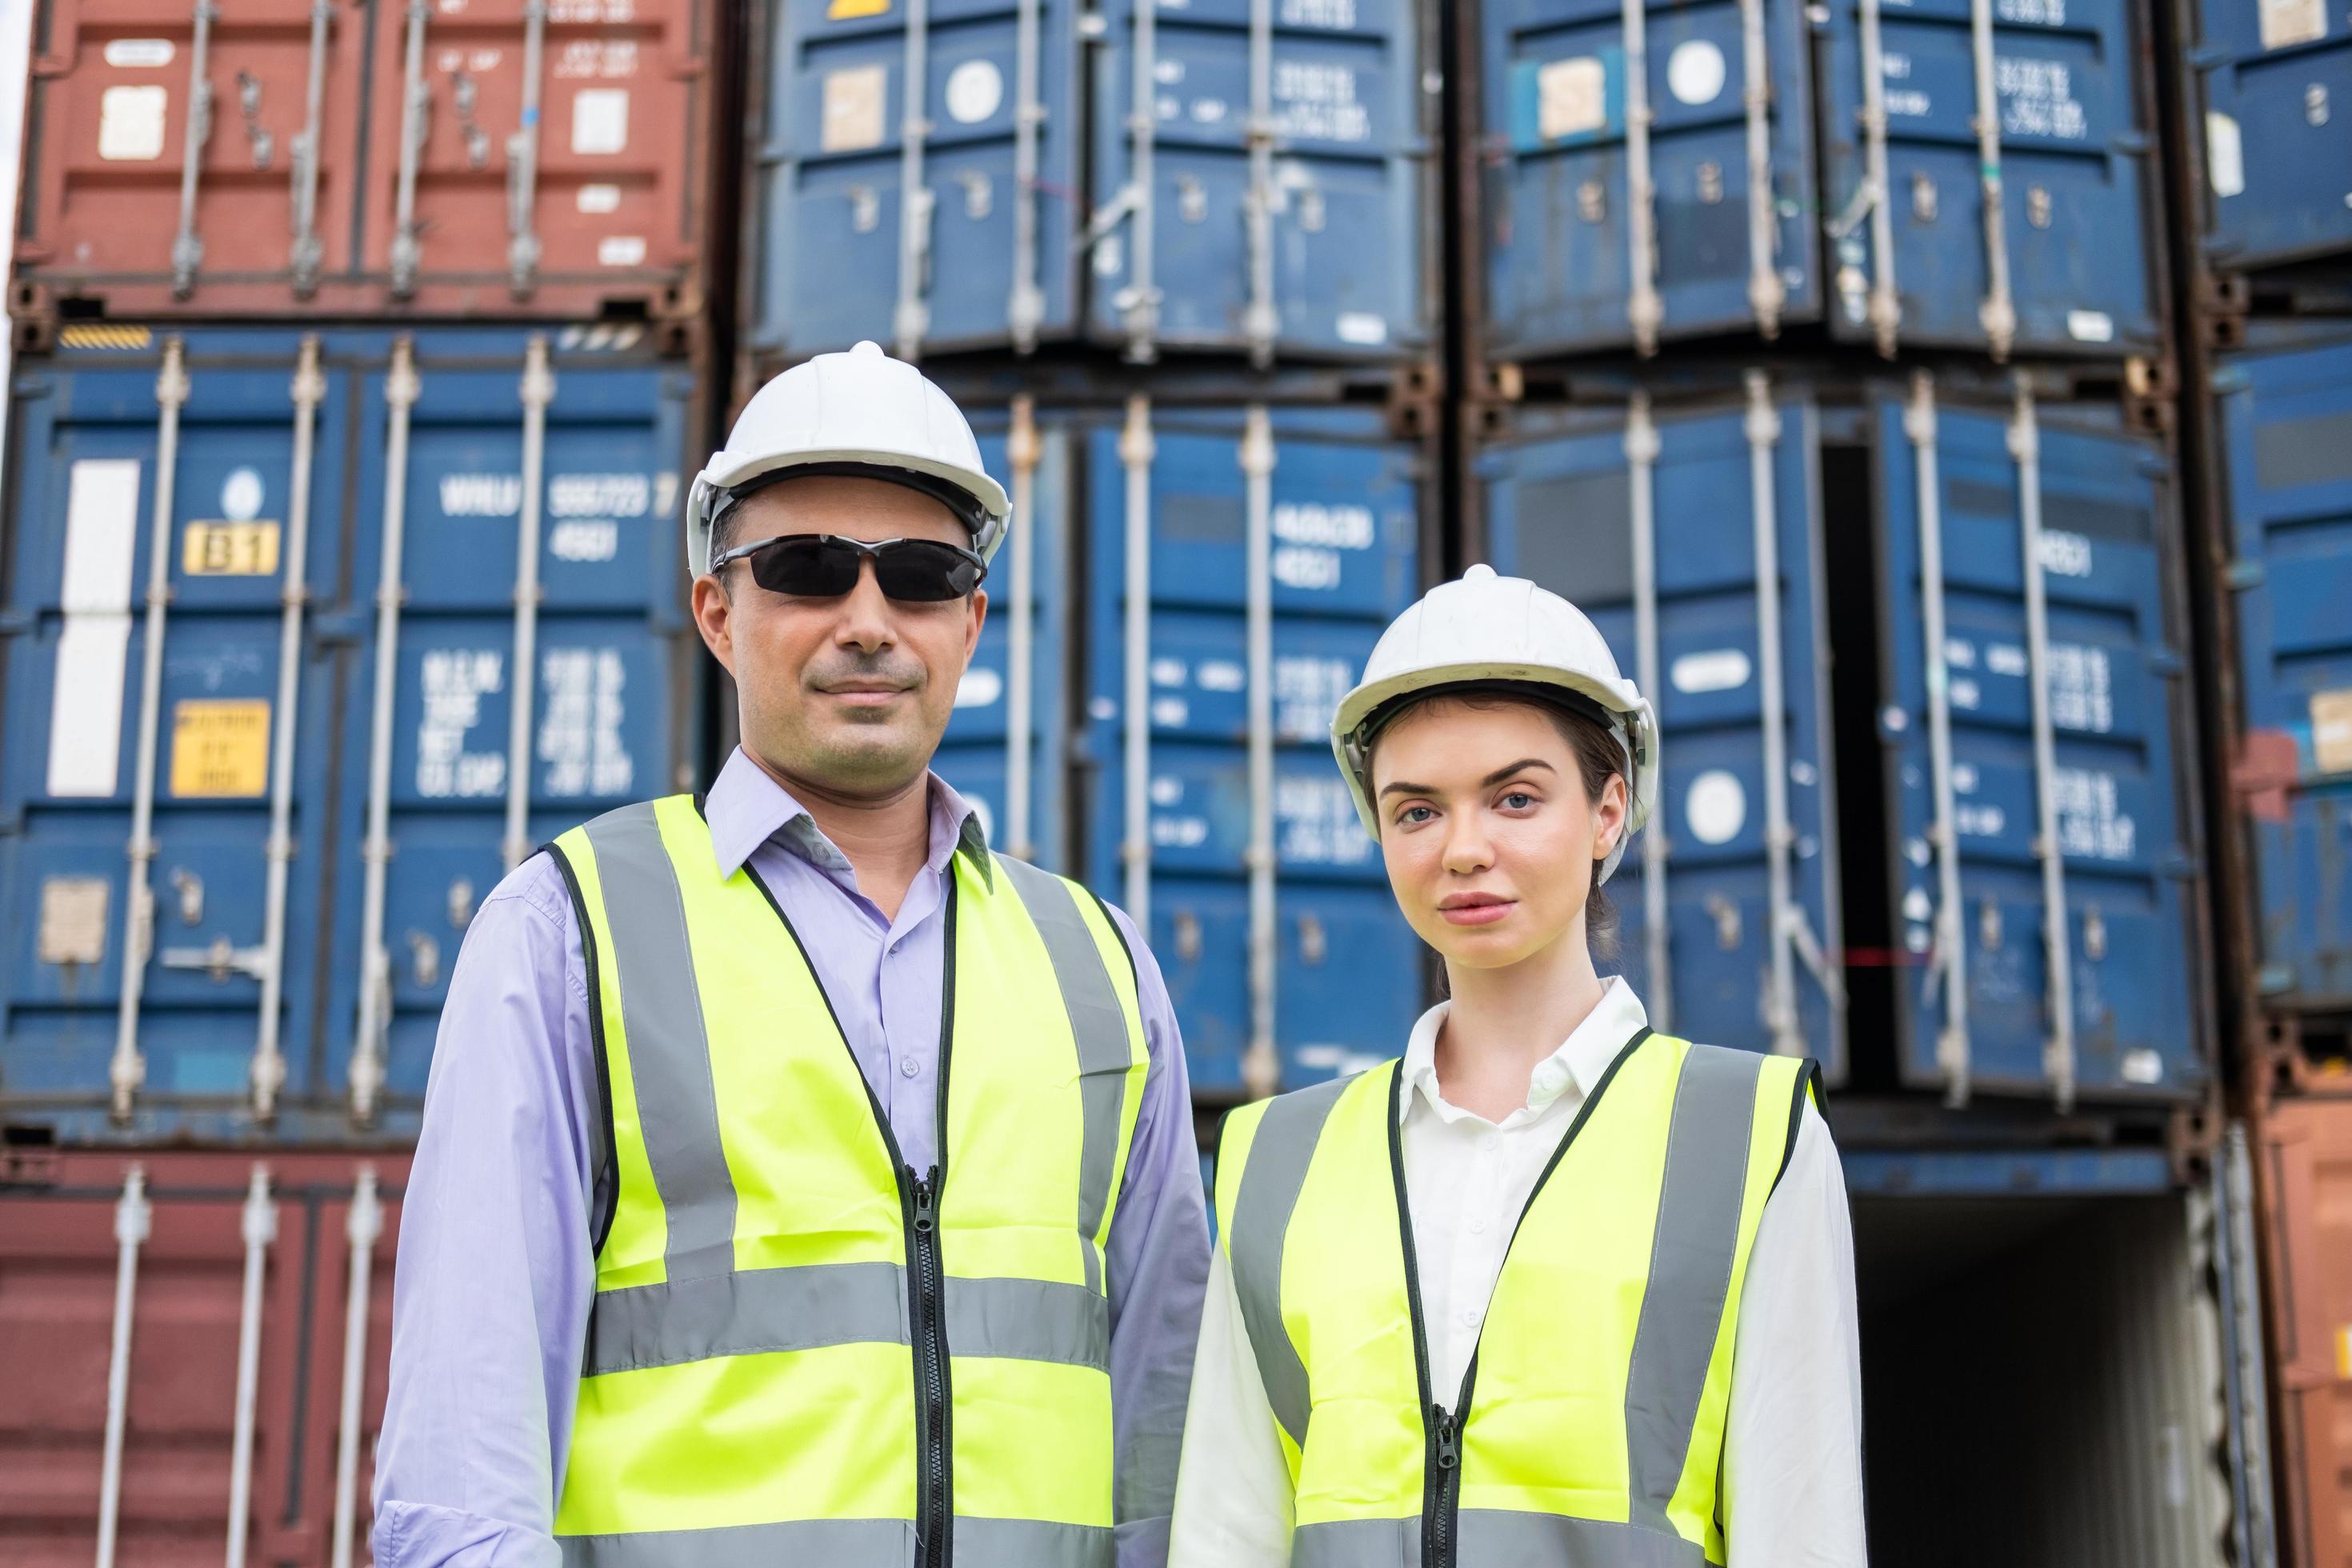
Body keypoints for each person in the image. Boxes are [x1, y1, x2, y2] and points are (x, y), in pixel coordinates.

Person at [374, 342, 1210, 1568]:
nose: (868, 622)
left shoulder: (1099, 965)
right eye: (808, 569)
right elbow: (464, 1470)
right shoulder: (570, 934)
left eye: (921, 577)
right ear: (719, 610)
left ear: (971, 622)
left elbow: (1169, 1443)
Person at [1167, 565, 1866, 1566]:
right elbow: (1225, 1533)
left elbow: (1803, 1533)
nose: (1463, 848)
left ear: (1609, 811)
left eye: (1516, 798)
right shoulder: (1275, 1160)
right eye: (1417, 810)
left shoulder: (1752, 1138)